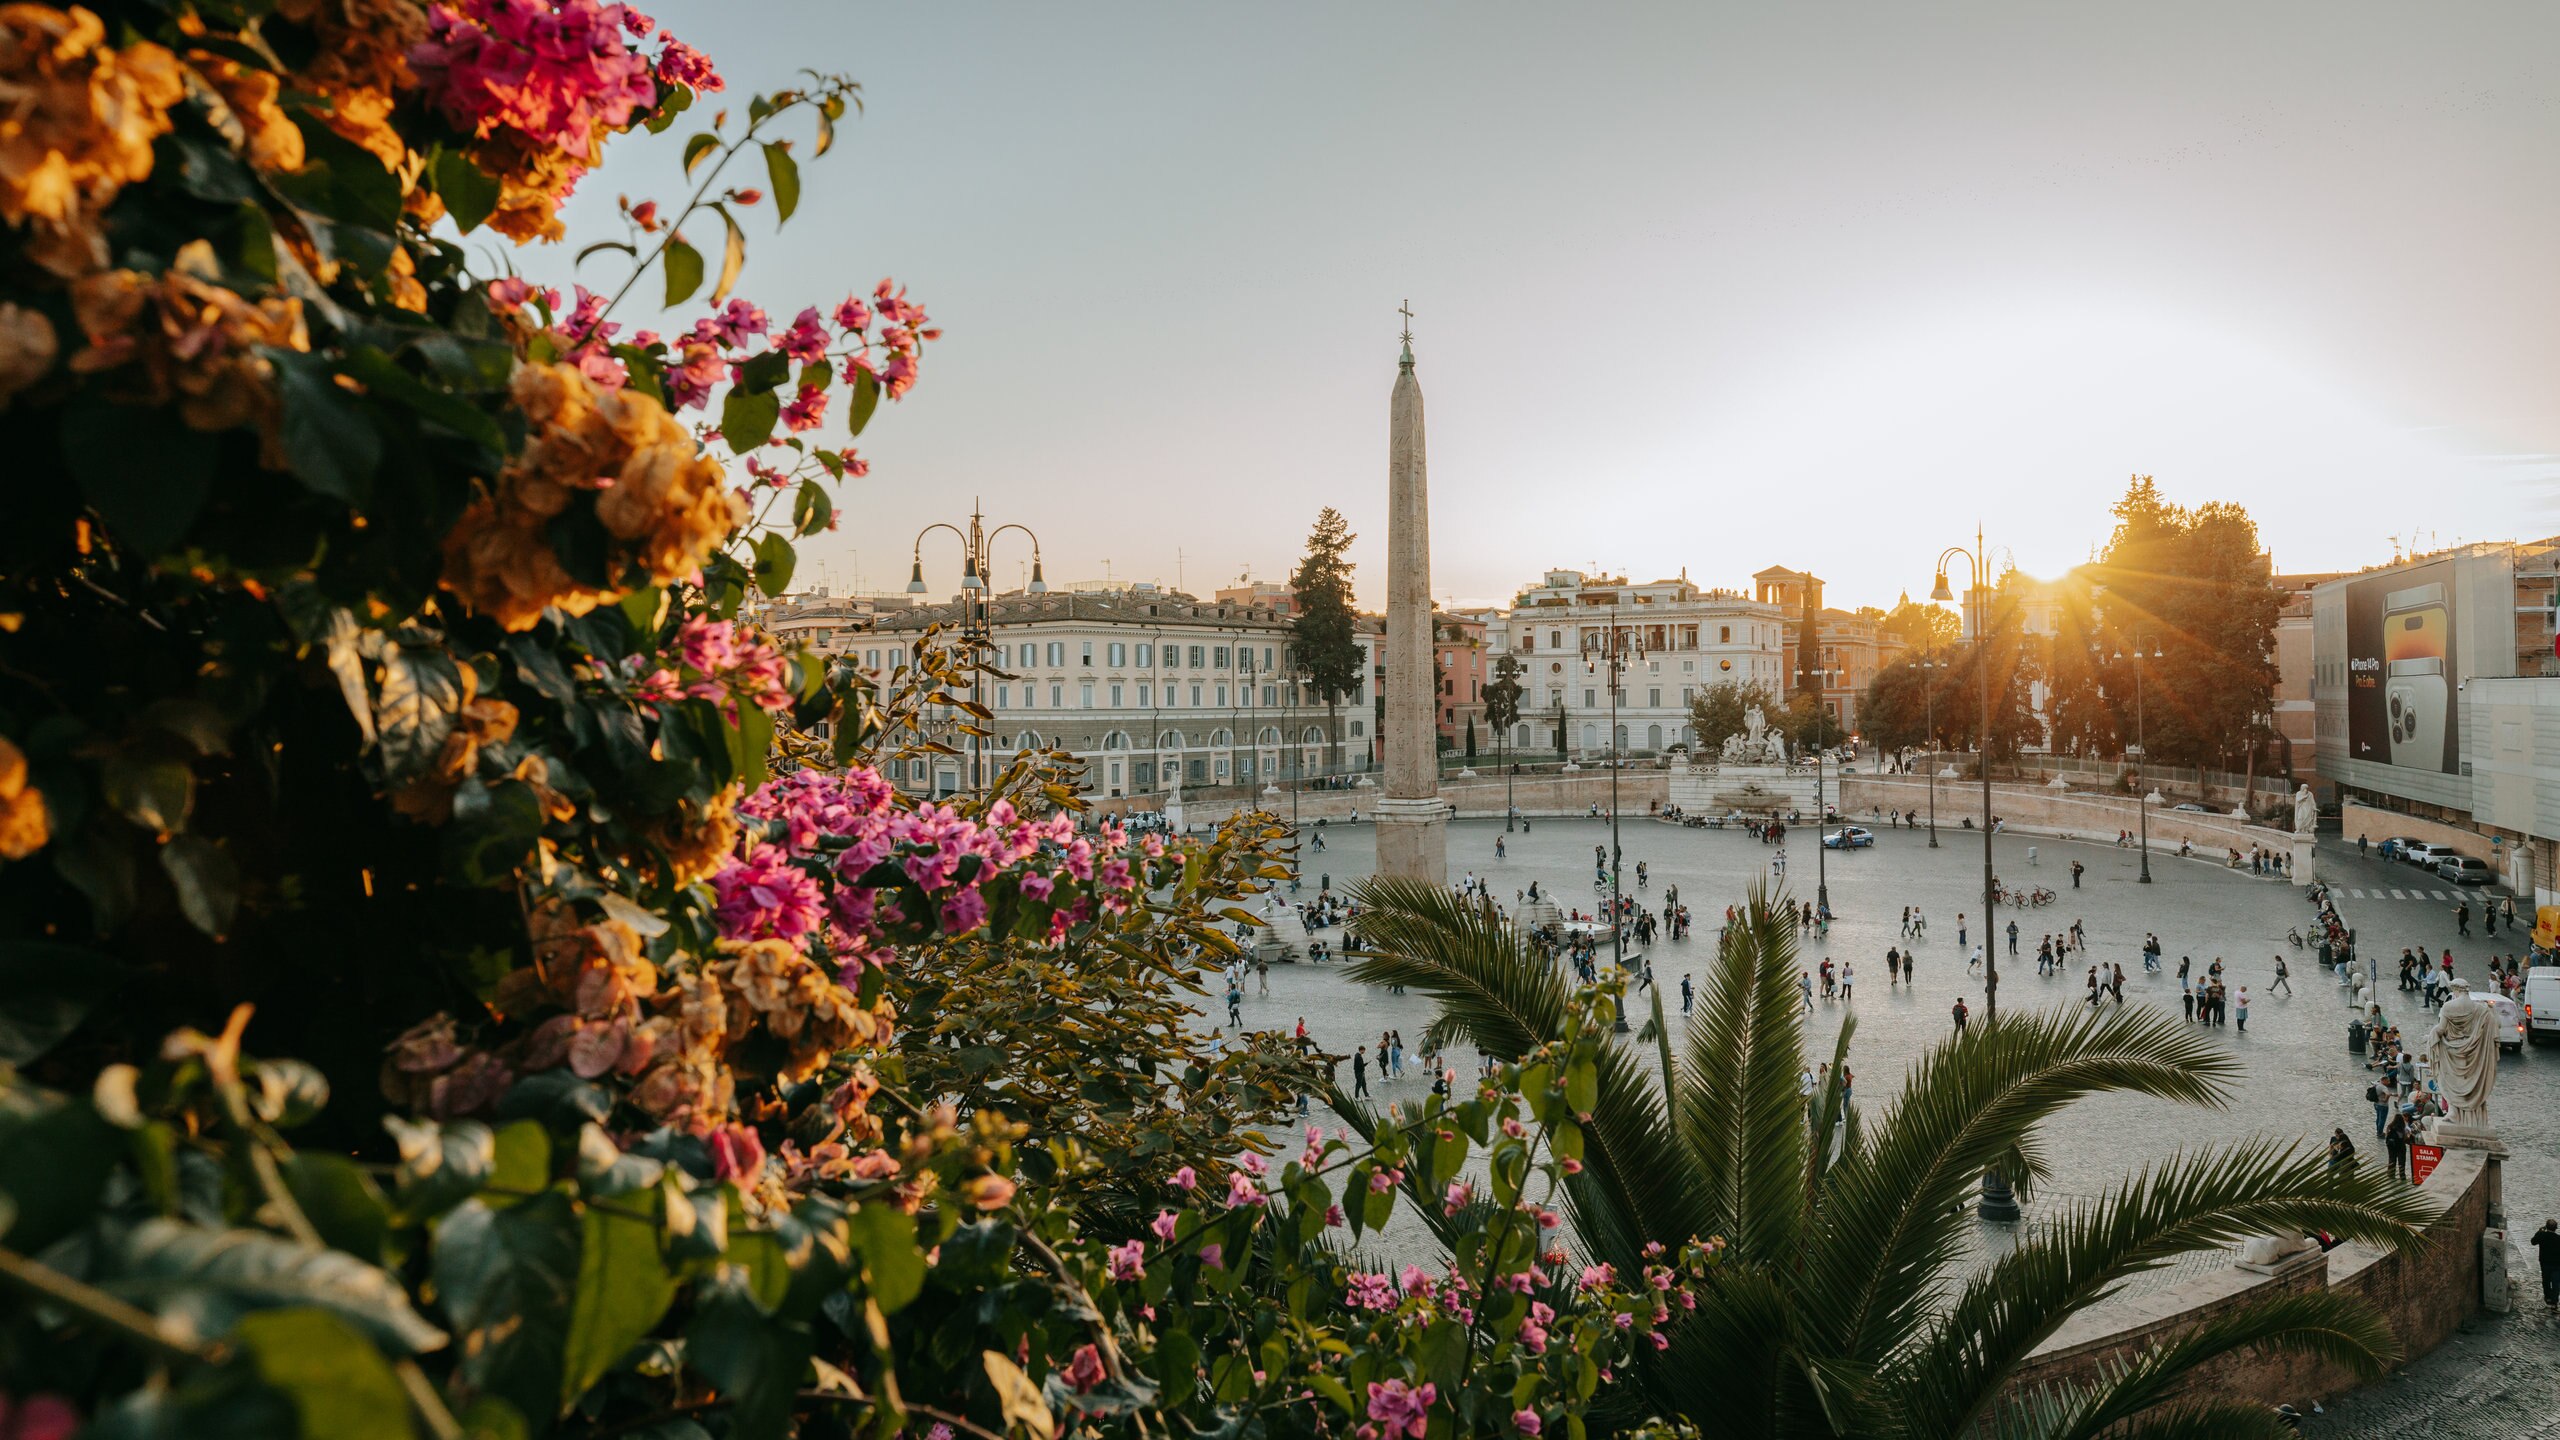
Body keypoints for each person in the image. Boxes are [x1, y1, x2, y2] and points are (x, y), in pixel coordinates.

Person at [2532, 1220, 2560, 1311]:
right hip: (2557, 1264)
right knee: (2556, 1283)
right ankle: (2554, 1302)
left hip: (2545, 1263)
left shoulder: (2541, 1235)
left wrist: (2539, 1231)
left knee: (2546, 1280)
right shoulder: (2558, 1238)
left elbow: (2533, 1242)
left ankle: (2548, 1298)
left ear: (2546, 1227)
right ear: (2555, 1229)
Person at [2384, 1109, 2410, 1181]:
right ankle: (2402, 1176)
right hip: (2400, 1147)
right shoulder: (2403, 1128)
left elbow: (2387, 1136)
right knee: (2401, 1162)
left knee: (2392, 1160)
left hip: (2391, 1146)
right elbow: (2405, 1138)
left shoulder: (2389, 1127)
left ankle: (2391, 1175)